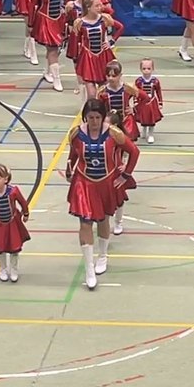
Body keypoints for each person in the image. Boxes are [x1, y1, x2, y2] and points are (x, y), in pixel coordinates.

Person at [66, 98, 140, 290]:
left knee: (103, 220)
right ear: (85, 117)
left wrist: (125, 175)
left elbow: (134, 152)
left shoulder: (114, 134)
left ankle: (103, 255)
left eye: (98, 117)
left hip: (106, 183)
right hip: (84, 183)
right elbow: (73, 153)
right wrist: (69, 168)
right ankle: (89, 268)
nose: (94, 121)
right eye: (90, 117)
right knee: (84, 222)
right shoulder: (76, 133)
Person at [0, 163, 31, 283]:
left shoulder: (13, 191)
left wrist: (26, 213)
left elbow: (23, 202)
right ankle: (2, 269)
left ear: (6, 179)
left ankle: (14, 269)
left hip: (12, 223)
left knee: (15, 248)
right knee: (0, 248)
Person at [29, 0, 72, 91]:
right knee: (52, 48)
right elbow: (32, 5)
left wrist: (65, 7)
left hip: (59, 19)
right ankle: (57, 80)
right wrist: (31, 23)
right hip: (45, 21)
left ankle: (49, 71)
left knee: (56, 48)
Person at [133, 58, 164, 143]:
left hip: (152, 103)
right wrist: (135, 102)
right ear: (140, 69)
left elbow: (158, 92)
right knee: (144, 118)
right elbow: (135, 92)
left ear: (152, 69)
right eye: (144, 69)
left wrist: (160, 103)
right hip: (142, 103)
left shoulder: (155, 81)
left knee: (151, 119)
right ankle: (144, 129)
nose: (146, 71)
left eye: (149, 68)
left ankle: (150, 134)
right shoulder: (138, 81)